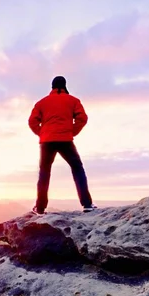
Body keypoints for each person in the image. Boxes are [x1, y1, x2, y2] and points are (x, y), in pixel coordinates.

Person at [28, 76, 96, 214]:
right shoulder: (73, 101)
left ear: (52, 86)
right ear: (65, 85)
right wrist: (72, 131)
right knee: (77, 169)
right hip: (66, 139)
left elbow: (32, 121)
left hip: (47, 141)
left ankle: (40, 208)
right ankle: (87, 204)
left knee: (44, 173)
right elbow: (82, 118)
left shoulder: (42, 103)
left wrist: (42, 133)